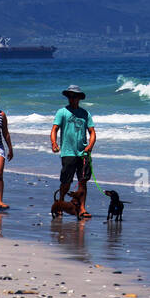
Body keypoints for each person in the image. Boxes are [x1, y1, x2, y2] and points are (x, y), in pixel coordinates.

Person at [51, 84, 96, 219]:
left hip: (83, 153)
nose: (72, 98)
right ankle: (60, 204)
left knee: (83, 181)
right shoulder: (62, 112)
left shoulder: (85, 113)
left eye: (74, 96)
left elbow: (92, 133)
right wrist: (54, 143)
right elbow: (54, 129)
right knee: (66, 182)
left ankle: (81, 208)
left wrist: (89, 146)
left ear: (79, 98)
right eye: (70, 96)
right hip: (67, 152)